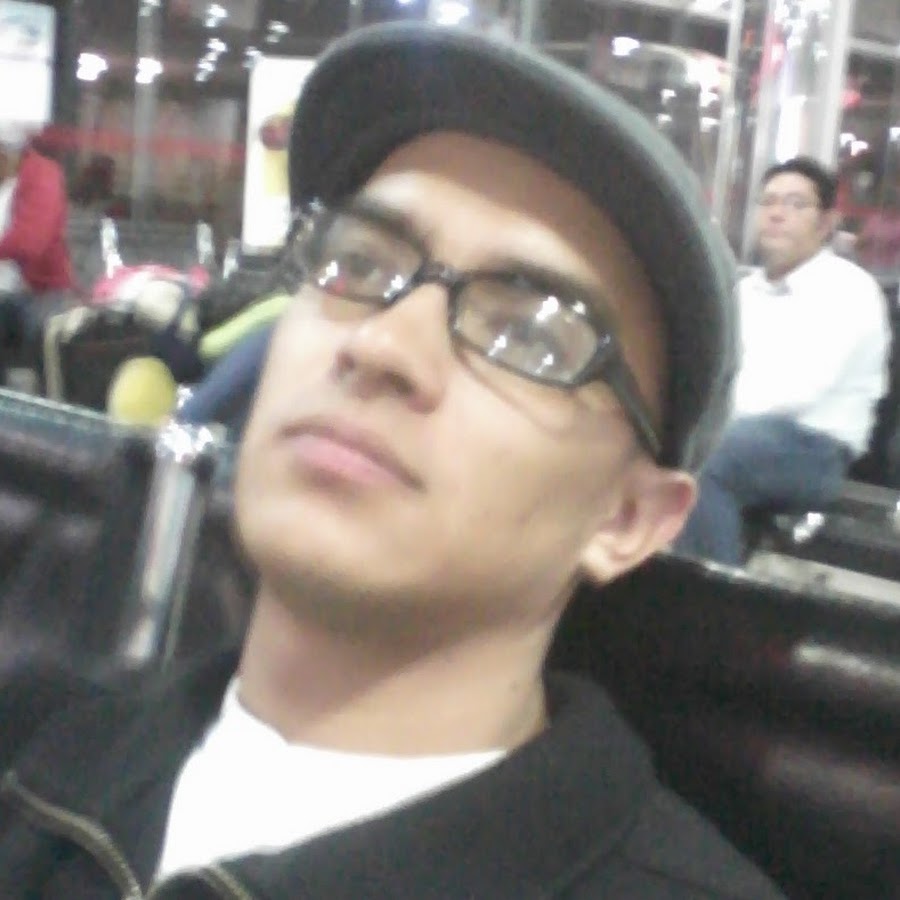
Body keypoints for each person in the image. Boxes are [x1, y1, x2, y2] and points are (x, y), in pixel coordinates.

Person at [0, 23, 785, 899]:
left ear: (627, 519)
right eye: (358, 263)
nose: (382, 344)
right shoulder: (43, 765)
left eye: (528, 334)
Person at [676, 156, 890, 566]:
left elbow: (796, 392)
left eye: (795, 204)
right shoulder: (745, 293)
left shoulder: (848, 291)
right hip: (740, 432)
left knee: (713, 456)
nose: (776, 213)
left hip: (812, 449)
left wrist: (704, 425)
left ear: (826, 222)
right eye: (768, 201)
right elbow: (712, 369)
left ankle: (710, 597)